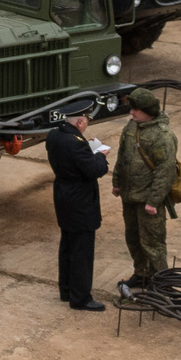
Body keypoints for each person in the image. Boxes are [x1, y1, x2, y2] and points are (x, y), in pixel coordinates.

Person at [113, 87, 177, 296]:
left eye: (136, 110)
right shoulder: (132, 127)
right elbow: (122, 156)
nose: (131, 113)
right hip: (130, 195)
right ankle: (141, 274)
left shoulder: (162, 136)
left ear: (148, 111)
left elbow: (165, 172)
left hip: (148, 200)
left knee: (152, 243)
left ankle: (161, 283)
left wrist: (153, 201)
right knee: (133, 238)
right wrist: (117, 182)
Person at [45, 108, 110, 311]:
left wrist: (85, 148)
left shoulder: (54, 135)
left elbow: (71, 158)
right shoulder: (75, 143)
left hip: (63, 195)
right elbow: (94, 170)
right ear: (80, 122)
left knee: (67, 245)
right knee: (81, 251)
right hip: (80, 201)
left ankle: (66, 290)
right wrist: (100, 156)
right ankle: (80, 298)